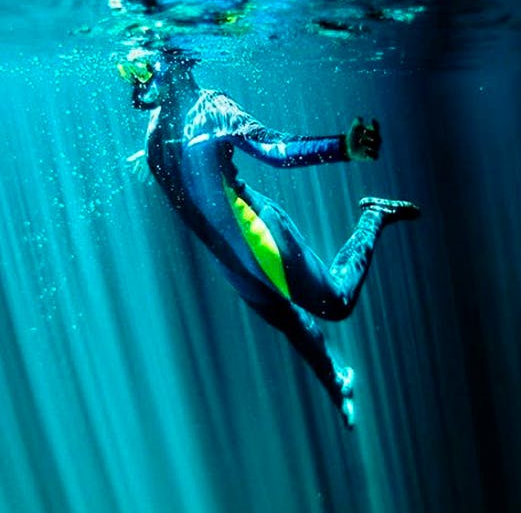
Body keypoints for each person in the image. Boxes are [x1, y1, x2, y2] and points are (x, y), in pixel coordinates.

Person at [119, 46, 420, 428]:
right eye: (129, 72)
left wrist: (342, 146)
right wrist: (150, 158)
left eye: (143, 68)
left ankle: (374, 214)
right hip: (230, 261)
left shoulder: (212, 108)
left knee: (336, 304)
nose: (137, 81)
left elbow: (276, 149)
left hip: (261, 240)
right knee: (289, 322)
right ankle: (337, 383)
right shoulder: (161, 119)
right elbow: (187, 156)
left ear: (175, 64)